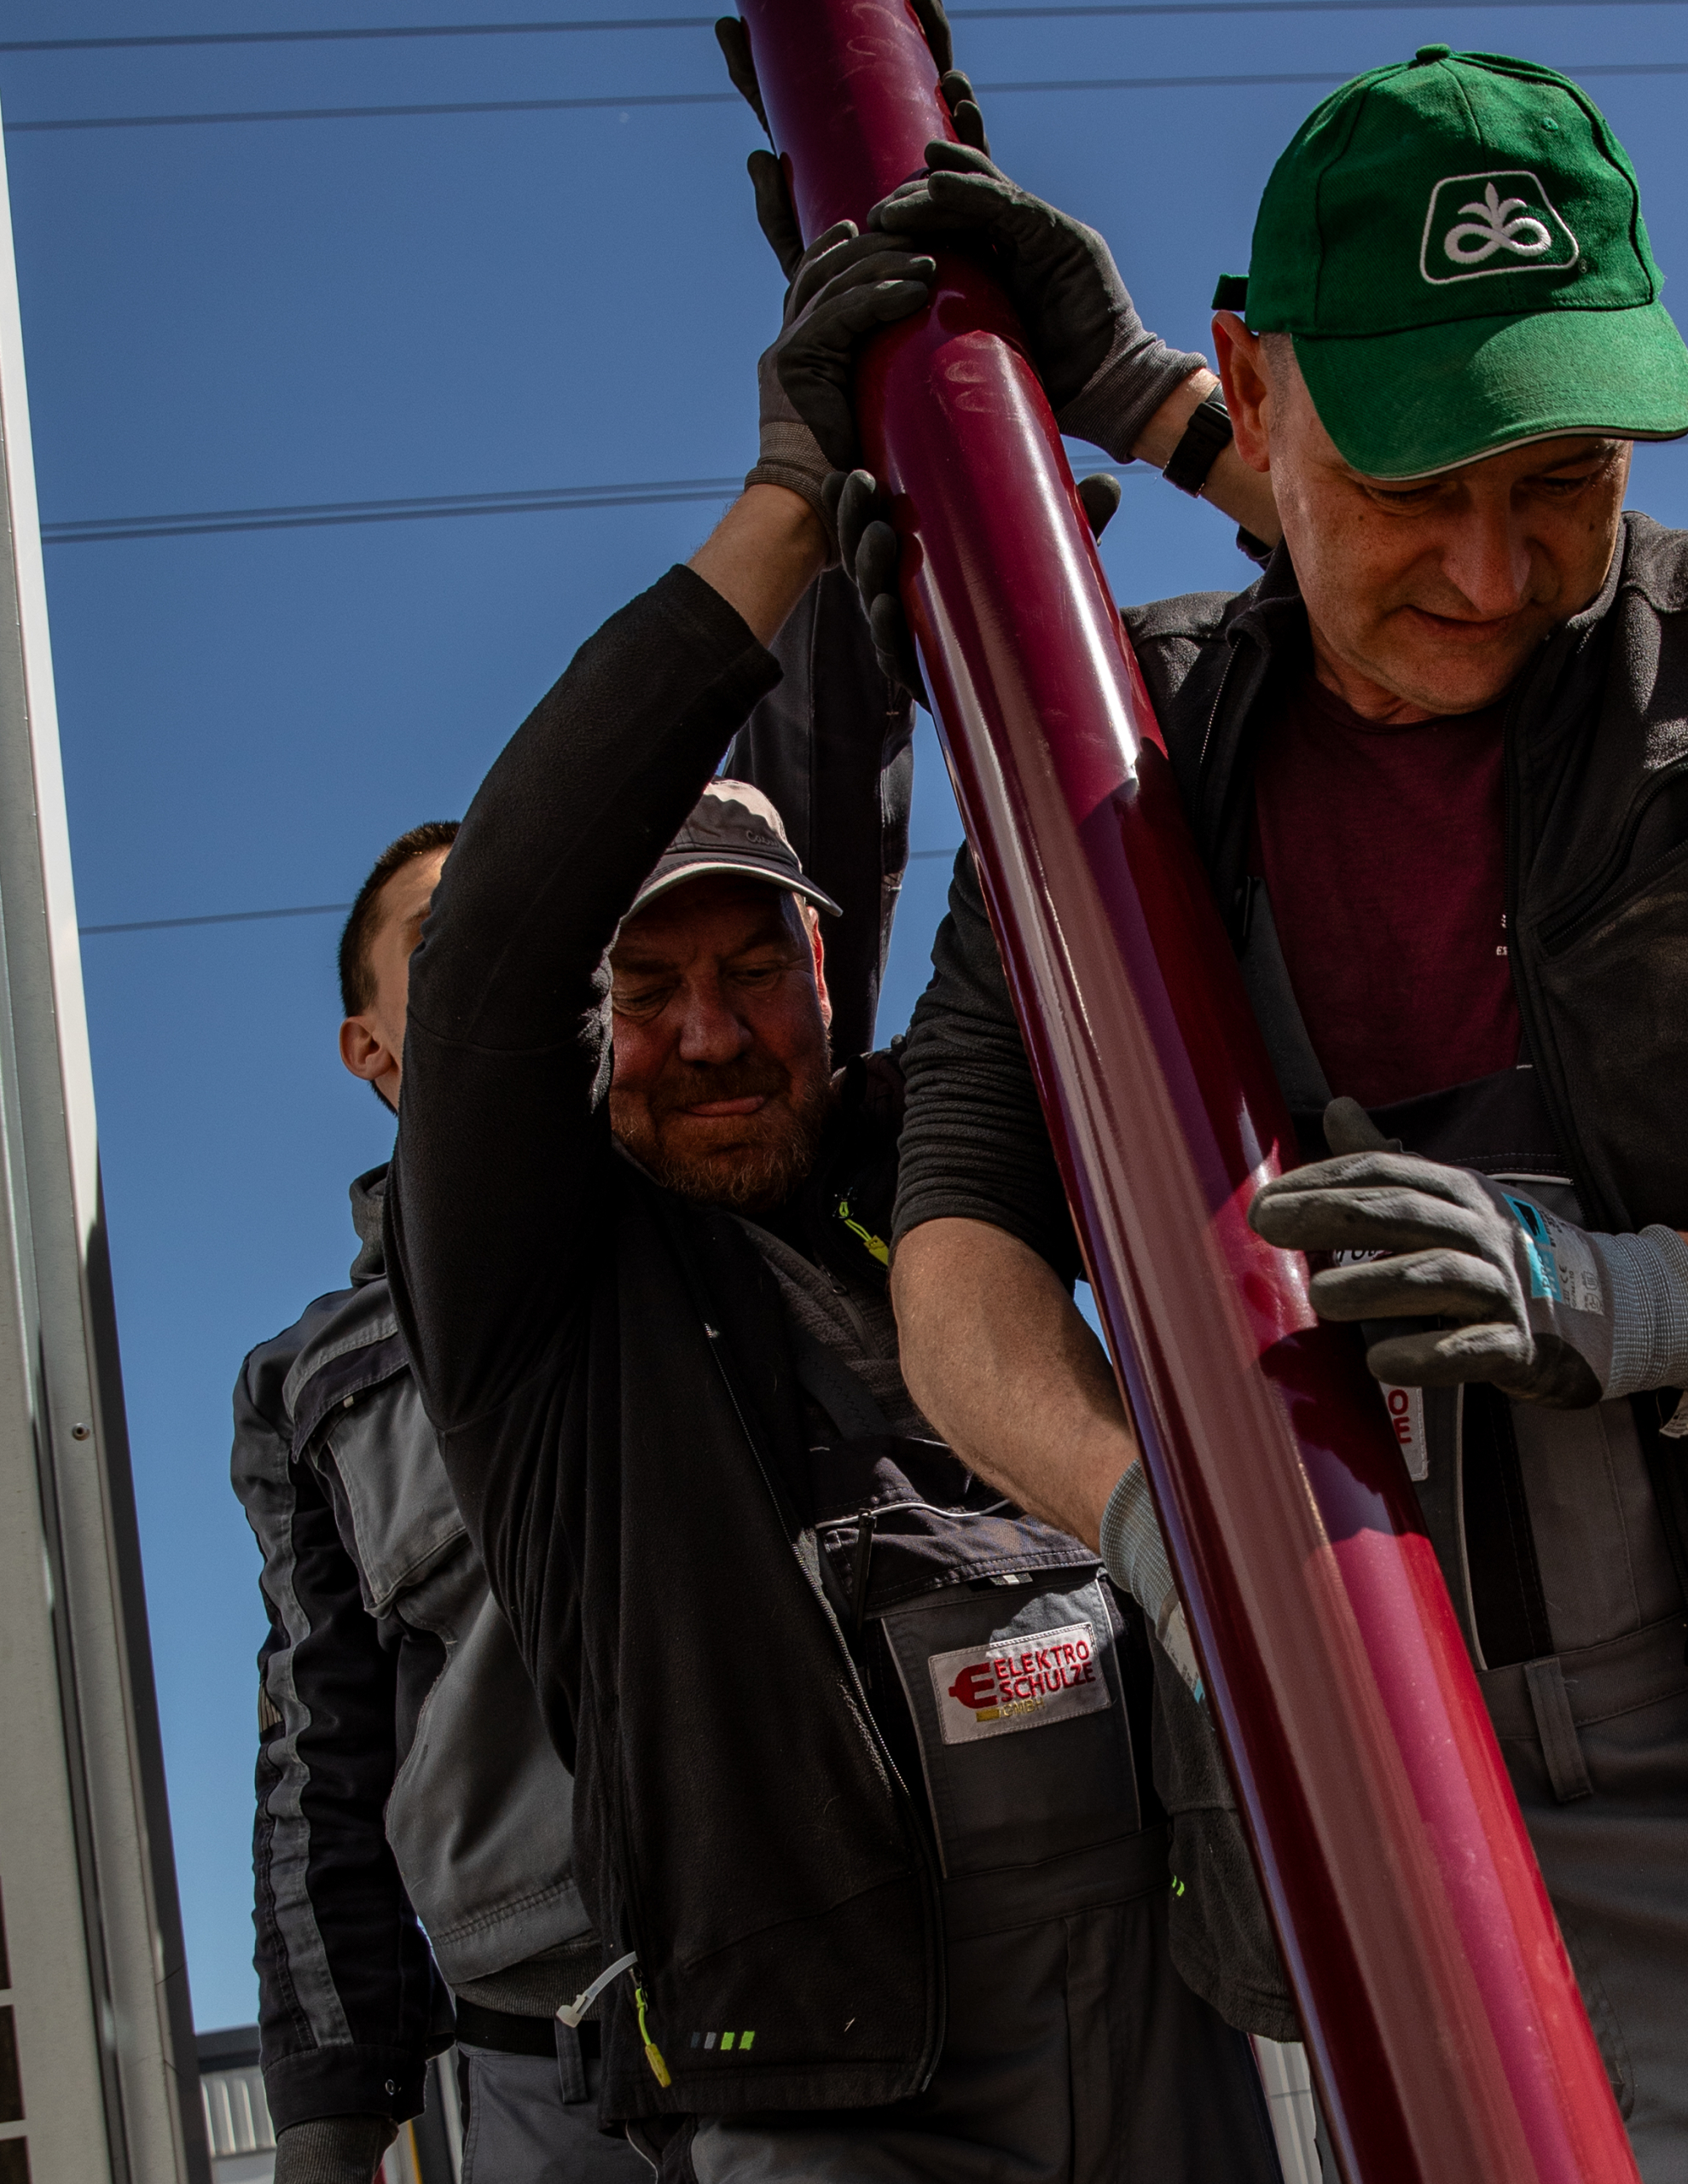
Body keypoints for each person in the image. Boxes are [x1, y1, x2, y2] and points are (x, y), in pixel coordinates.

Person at [798, 46, 1688, 2184]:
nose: (1488, 564)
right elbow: (958, 1261)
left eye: (1561, 478)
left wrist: (1639, 1297)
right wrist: (1156, 1526)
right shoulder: (1124, 780)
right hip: (1394, 1840)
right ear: (1253, 391)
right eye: (1411, 485)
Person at [381, 250, 1279, 2175]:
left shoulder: (930, 1141)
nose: (709, 1035)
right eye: (647, 990)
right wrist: (791, 502)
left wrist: (1056, 517)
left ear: (823, 971)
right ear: (590, 1026)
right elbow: (479, 966)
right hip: (829, 2077)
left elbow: (1127, 842)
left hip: (1160, 1990)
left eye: (755, 972)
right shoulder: (542, 1299)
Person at [234, 823, 626, 2183]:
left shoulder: (720, 1200)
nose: (504, 949)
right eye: (442, 939)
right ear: (370, 1048)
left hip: (840, 1975)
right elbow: (315, 1758)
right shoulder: (310, 1386)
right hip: (555, 2064)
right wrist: (330, 2119)